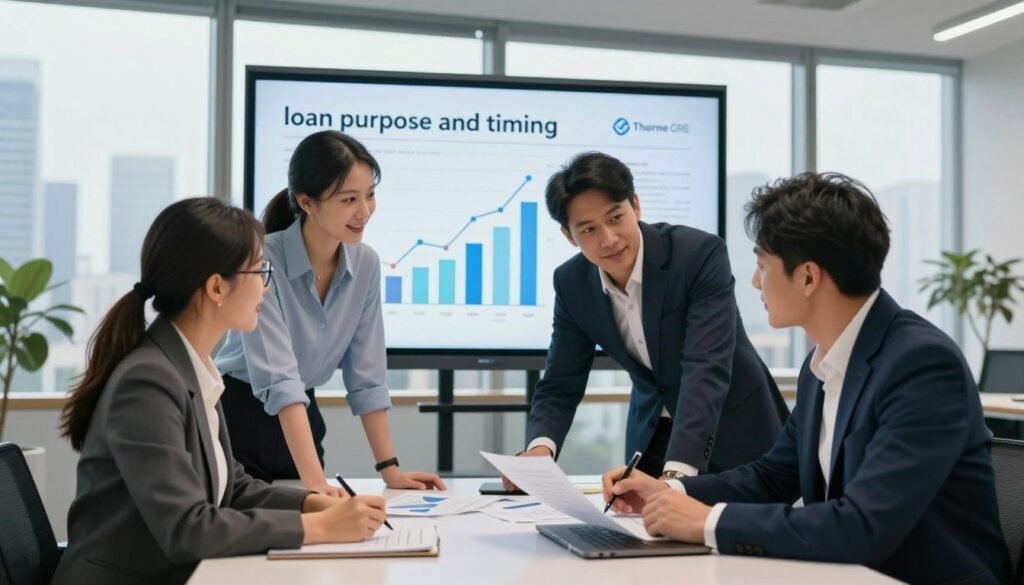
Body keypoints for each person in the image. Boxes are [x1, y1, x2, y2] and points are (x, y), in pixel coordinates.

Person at [602, 172, 1011, 585]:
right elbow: (774, 476)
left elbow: (862, 527)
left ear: (809, 277)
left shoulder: (921, 365)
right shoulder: (823, 363)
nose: (755, 281)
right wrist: (670, 494)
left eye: (762, 265)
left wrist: (709, 522)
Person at [53, 198, 387, 585]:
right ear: (216, 287)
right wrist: (321, 528)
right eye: (260, 271)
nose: (266, 288)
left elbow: (231, 486)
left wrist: (313, 503)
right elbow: (187, 529)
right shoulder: (147, 382)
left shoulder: (189, 368)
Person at [508, 152, 788, 487]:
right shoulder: (571, 283)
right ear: (569, 236)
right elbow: (560, 382)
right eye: (589, 229)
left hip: (734, 434)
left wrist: (676, 479)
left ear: (636, 206)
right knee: (640, 534)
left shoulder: (698, 255)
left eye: (615, 218)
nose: (608, 239)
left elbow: (705, 368)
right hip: (651, 440)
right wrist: (540, 449)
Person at [215, 130, 444, 495]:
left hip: (303, 416)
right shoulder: (262, 259)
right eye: (349, 199)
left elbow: (367, 378)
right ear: (307, 202)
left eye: (370, 195)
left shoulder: (365, 263)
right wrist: (316, 483)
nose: (364, 212)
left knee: (313, 537)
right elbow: (279, 380)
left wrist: (391, 473)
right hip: (240, 418)